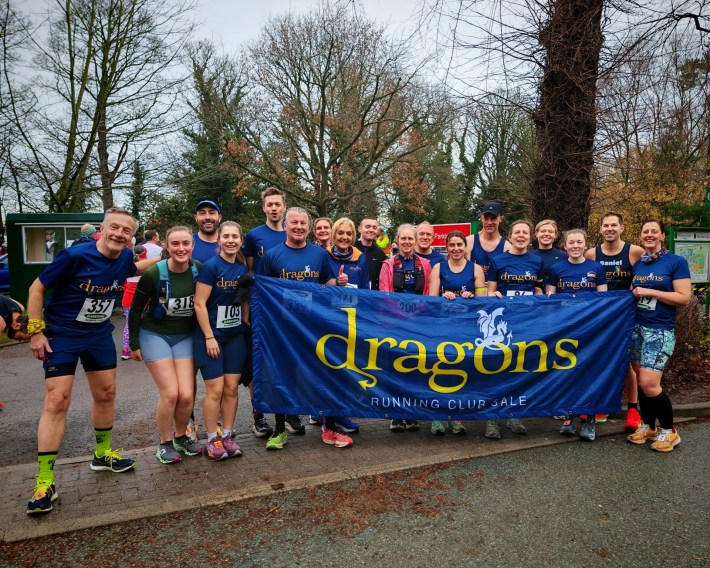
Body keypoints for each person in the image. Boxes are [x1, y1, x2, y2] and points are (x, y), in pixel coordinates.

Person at [25, 207, 156, 516]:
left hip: (98, 334)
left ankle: (102, 454)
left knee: (106, 393)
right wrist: (36, 332)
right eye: (114, 227)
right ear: (103, 228)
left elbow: (137, 267)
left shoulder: (124, 258)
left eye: (126, 230)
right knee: (57, 400)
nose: (119, 234)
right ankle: (45, 481)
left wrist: (173, 255)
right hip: (63, 334)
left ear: (131, 237)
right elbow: (36, 288)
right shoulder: (75, 256)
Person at [256, 207, 338, 450]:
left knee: (323, 374)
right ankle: (280, 430)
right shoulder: (271, 256)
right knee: (282, 377)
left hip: (313, 328)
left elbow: (329, 284)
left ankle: (330, 428)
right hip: (282, 329)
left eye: (303, 223)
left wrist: (338, 284)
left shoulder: (319, 255)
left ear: (309, 228)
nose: (299, 227)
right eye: (294, 222)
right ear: (285, 226)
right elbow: (261, 291)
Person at [129, 226, 203, 464]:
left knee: (187, 395)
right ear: (167, 247)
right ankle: (164, 442)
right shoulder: (154, 273)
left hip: (184, 336)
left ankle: (181, 437)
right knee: (170, 393)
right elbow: (136, 309)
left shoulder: (198, 269)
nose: (181, 248)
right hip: (155, 335)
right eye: (175, 244)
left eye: (185, 243)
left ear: (192, 246)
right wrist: (134, 343)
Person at [627, 219, 691, 453]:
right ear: (641, 236)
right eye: (645, 231)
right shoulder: (639, 264)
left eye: (654, 231)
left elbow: (684, 298)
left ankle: (669, 431)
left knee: (649, 383)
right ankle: (649, 427)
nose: (649, 235)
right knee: (641, 380)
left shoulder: (676, 262)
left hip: (660, 330)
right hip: (637, 329)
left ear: (663, 235)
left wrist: (653, 291)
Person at [194, 221, 253, 460]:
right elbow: (199, 304)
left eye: (234, 237)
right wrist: (209, 336)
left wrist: (245, 325)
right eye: (226, 236)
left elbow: (244, 299)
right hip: (212, 337)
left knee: (231, 388)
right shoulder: (211, 267)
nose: (230, 241)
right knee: (215, 390)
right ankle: (212, 439)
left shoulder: (242, 268)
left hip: (234, 337)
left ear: (241, 241)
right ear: (219, 240)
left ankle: (227, 435)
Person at [484, 220, 545, 439]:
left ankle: (514, 414)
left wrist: (539, 296)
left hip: (526, 322)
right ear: (510, 236)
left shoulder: (536, 261)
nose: (521, 235)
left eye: (525, 233)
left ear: (530, 237)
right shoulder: (498, 260)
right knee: (497, 368)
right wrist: (494, 296)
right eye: (517, 232)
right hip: (502, 322)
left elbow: (538, 288)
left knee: (519, 368)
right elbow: (490, 292)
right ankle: (492, 418)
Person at [546, 228, 608, 441]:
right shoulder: (556, 269)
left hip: (590, 329)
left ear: (585, 245)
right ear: (565, 246)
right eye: (571, 242)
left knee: (590, 372)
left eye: (579, 242)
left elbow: (604, 301)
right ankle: (568, 418)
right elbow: (549, 302)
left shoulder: (596, 267)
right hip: (565, 329)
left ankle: (590, 419)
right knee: (567, 372)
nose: (575, 246)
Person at [585, 212, 645, 430]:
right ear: (600, 229)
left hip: (627, 315)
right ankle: (602, 404)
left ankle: (632, 409)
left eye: (613, 225)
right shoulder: (592, 253)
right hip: (600, 316)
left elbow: (644, 278)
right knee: (600, 360)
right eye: (605, 225)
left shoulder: (634, 251)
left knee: (626, 362)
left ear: (621, 228)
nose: (609, 229)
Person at [316, 216, 371, 441]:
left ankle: (343, 414)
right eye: (340, 233)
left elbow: (366, 289)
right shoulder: (323, 255)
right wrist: (335, 284)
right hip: (328, 319)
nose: (344, 237)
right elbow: (318, 284)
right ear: (333, 235)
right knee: (330, 368)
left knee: (348, 368)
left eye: (348, 234)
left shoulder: (360, 258)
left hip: (352, 320)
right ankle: (328, 418)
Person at [428, 230, 485, 436]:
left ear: (465, 246)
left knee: (461, 371)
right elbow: (431, 300)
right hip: (443, 327)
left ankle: (457, 418)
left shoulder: (476, 269)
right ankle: (436, 417)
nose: (456, 249)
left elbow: (483, 301)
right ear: (446, 247)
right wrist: (444, 295)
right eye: (451, 245)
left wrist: (471, 296)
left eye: (459, 245)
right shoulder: (438, 267)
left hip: (466, 328)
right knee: (439, 370)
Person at [243, 187, 287, 438]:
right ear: (263, 208)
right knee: (258, 361)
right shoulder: (254, 235)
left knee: (287, 360)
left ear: (284, 207)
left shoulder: (292, 233)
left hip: (287, 309)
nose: (274, 208)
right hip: (262, 307)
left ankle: (289, 412)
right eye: (269, 204)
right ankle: (258, 415)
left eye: (277, 204)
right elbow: (251, 272)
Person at [379, 223, 432, 432]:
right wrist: (402, 315)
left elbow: (428, 293)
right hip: (394, 324)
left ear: (416, 241)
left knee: (415, 368)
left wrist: (414, 313)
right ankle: (395, 414)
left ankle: (412, 412)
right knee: (394, 367)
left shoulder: (425, 265)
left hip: (418, 324)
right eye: (403, 238)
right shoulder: (388, 265)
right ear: (397, 241)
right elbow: (385, 294)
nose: (407, 242)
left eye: (411, 238)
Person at [465, 202, 513, 284]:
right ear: (481, 218)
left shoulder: (507, 247)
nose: (489, 222)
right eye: (486, 218)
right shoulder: (469, 242)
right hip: (473, 289)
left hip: (496, 290)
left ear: (501, 219)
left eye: (493, 218)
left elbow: (506, 277)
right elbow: (464, 273)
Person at [120, 244, 147, 360]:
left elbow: (124, 287)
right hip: (140, 302)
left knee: (128, 324)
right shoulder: (145, 271)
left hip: (127, 301)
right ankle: (138, 347)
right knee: (140, 324)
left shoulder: (128, 270)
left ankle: (126, 349)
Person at [354, 216, 387, 290]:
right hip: (351, 293)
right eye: (367, 227)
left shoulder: (380, 254)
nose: (371, 230)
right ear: (359, 229)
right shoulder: (350, 248)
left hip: (371, 295)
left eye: (374, 228)